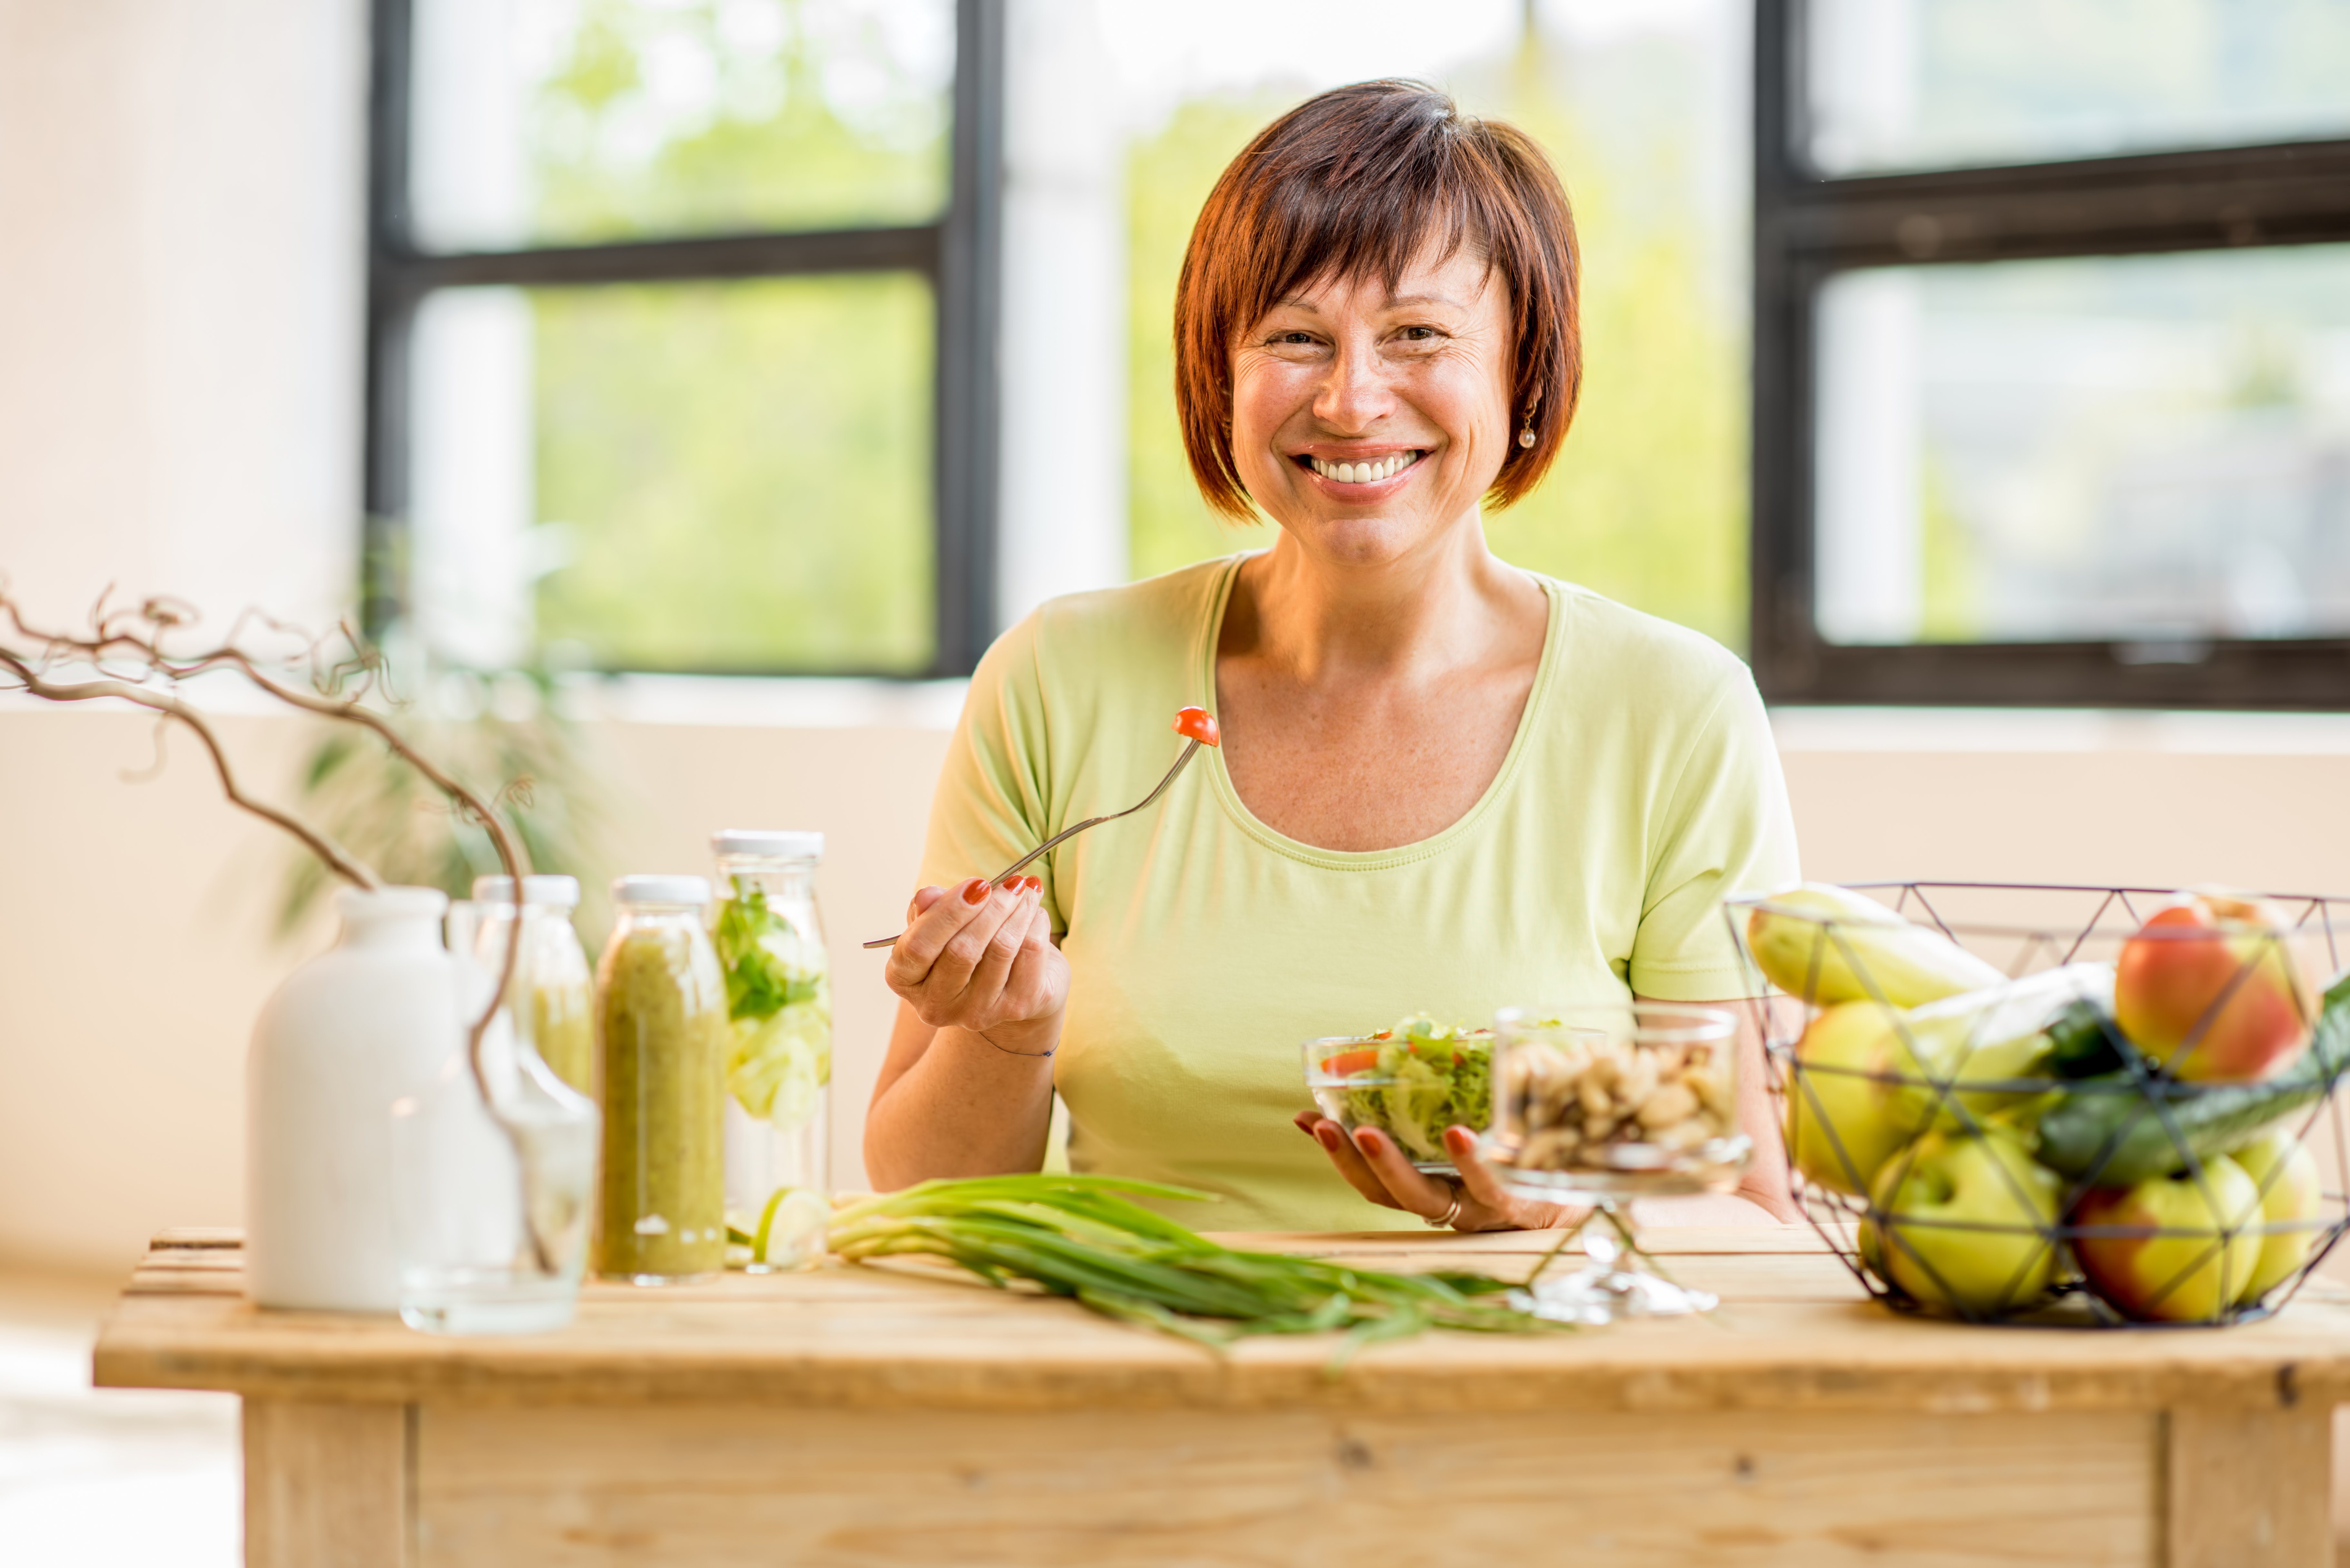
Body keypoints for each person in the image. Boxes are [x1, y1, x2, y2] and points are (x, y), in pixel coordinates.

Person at [866, 79, 1798, 1232]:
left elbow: (1748, 1199)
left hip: (1514, 1384)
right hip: (1133, 1371)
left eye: (1419, 334)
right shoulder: (1064, 679)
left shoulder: (1670, 710)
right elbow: (924, 1191)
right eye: (1297, 338)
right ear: (1224, 381)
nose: (1353, 400)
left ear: (1525, 379)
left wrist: (1549, 1206)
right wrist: (1011, 1038)